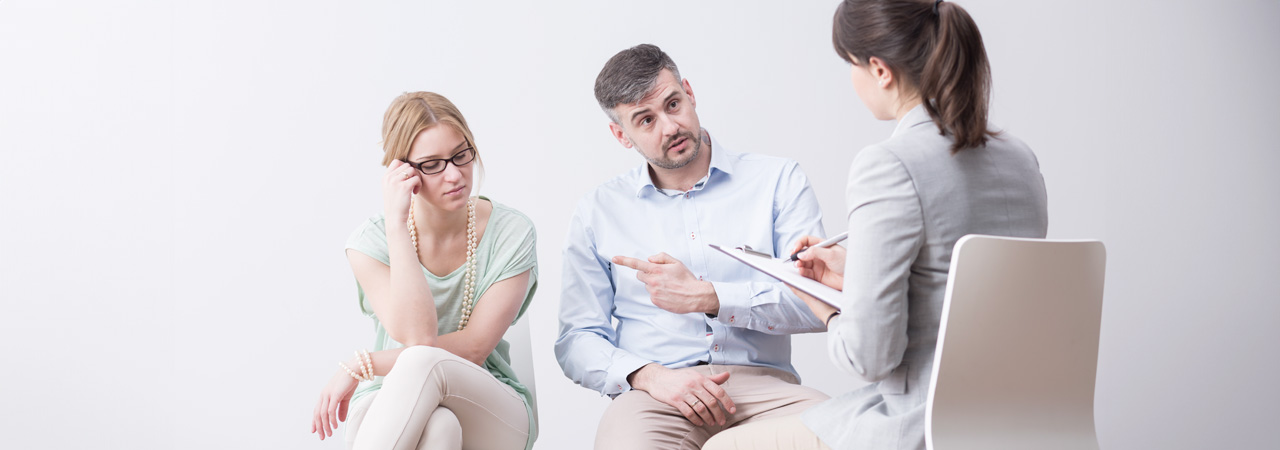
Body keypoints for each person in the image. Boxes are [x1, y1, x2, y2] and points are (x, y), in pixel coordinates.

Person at [702, 1, 1049, 449]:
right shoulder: (1021, 159)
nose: (851, 79)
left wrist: (817, 300)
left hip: (920, 421)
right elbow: (961, 288)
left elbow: (868, 358)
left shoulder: (889, 165)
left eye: (850, 64)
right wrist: (859, 270)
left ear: (880, 70)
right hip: (1024, 416)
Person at [554, 44, 832, 450]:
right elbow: (576, 338)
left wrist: (711, 296)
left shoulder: (777, 181)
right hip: (656, 395)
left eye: (673, 104)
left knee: (848, 433)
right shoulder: (597, 211)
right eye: (645, 120)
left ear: (689, 92)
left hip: (765, 390)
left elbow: (816, 304)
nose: (669, 127)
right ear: (621, 135)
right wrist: (648, 376)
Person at [309, 92, 540, 450]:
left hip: (490, 403)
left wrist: (365, 362)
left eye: (461, 155)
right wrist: (397, 227)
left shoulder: (512, 232)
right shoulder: (369, 243)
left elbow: (474, 348)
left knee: (425, 369)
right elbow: (418, 336)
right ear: (401, 171)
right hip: (387, 399)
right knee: (440, 428)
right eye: (432, 164)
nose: (455, 175)